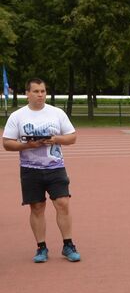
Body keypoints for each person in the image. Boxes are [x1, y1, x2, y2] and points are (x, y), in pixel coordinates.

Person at [2, 78, 80, 263]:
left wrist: (56, 140)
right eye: (36, 91)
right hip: (30, 170)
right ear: (27, 94)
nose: (40, 95)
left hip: (55, 167)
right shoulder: (18, 116)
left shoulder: (57, 113)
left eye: (43, 91)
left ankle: (68, 245)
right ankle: (41, 248)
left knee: (63, 203)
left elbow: (72, 137)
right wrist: (27, 145)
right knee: (37, 207)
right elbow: (6, 143)